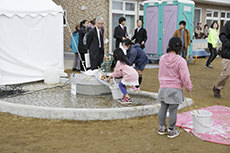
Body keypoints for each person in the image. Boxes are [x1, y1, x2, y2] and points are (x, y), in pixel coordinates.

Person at [157, 37, 192, 139]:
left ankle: (162, 128)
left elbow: (161, 72)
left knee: (163, 108)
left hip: (163, 87)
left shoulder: (162, 58)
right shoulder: (181, 61)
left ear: (169, 45)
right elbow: (185, 76)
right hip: (175, 89)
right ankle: (171, 130)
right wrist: (188, 87)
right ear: (180, 47)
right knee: (173, 110)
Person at [213, 21, 230, 98]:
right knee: (226, 73)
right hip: (228, 53)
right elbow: (222, 35)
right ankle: (217, 87)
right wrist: (228, 43)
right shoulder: (228, 24)